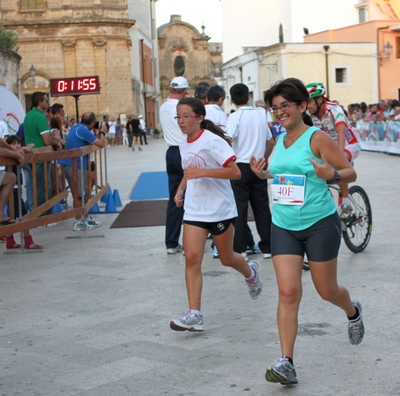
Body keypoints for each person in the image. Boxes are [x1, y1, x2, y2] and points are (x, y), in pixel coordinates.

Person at [250, 78, 364, 385]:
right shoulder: (280, 140)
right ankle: (286, 361)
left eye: (285, 105)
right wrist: (264, 173)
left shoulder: (317, 138)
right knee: (288, 292)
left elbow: (350, 171)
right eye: (274, 108)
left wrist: (333, 174)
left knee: (327, 291)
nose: (279, 112)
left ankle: (352, 311)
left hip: (319, 224)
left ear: (302, 106)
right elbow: (283, 173)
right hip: (284, 223)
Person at [169, 97, 263, 332]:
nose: (181, 121)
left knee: (226, 258)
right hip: (194, 210)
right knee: (192, 259)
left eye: (186, 116)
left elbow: (234, 172)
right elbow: (188, 171)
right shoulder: (183, 144)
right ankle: (195, 314)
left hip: (219, 209)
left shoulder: (213, 141)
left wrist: (203, 172)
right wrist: (180, 190)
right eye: (178, 117)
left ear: (199, 118)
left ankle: (250, 272)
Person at [226, 83, 274, 260]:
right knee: (262, 207)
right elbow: (270, 141)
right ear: (249, 97)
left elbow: (228, 139)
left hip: (240, 165)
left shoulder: (234, 117)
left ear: (232, 100)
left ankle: (241, 248)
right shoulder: (261, 114)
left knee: (239, 208)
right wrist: (264, 158)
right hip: (258, 164)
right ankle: (268, 247)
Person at [306, 82, 361, 220]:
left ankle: (346, 204)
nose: (308, 106)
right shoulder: (309, 115)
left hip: (349, 144)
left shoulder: (334, 109)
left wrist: (339, 156)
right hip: (329, 147)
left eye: (310, 102)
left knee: (339, 164)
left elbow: (341, 132)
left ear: (320, 100)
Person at [159, 76, 190, 254]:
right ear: (184, 91)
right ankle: (189, 244)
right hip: (185, 150)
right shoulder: (183, 108)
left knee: (174, 198)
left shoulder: (163, 107)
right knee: (192, 197)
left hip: (171, 152)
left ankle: (171, 243)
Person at [64, 111, 105, 231]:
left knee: (83, 193)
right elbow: (101, 144)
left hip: (77, 165)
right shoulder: (82, 130)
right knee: (78, 195)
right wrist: (102, 131)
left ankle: (85, 218)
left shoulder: (77, 127)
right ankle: (78, 221)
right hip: (75, 166)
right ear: (92, 122)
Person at [24, 91, 62, 213]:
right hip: (41, 158)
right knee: (44, 187)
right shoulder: (40, 117)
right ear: (40, 102)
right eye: (46, 101)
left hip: (30, 157)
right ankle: (44, 215)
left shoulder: (28, 115)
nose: (48, 103)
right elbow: (46, 140)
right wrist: (56, 143)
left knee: (32, 187)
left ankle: (34, 211)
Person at [4, 135, 43, 249]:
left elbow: (31, 146)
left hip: (16, 188)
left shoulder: (15, 153)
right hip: (13, 189)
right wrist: (23, 149)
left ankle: (10, 240)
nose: (16, 145)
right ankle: (28, 241)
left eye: (18, 143)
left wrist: (24, 148)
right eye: (13, 143)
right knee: (23, 215)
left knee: (11, 215)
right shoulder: (10, 154)